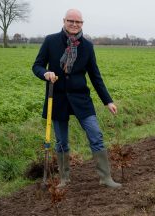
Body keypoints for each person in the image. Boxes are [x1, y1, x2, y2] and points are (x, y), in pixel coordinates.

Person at [32, 9, 121, 188]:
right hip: (57, 98)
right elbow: (37, 65)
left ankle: (105, 178)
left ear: (82, 24)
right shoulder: (51, 41)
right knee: (61, 141)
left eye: (78, 22)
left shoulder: (87, 46)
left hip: (81, 99)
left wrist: (108, 101)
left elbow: (95, 76)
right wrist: (45, 73)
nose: (74, 24)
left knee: (96, 135)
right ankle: (64, 179)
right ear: (64, 21)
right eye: (70, 21)